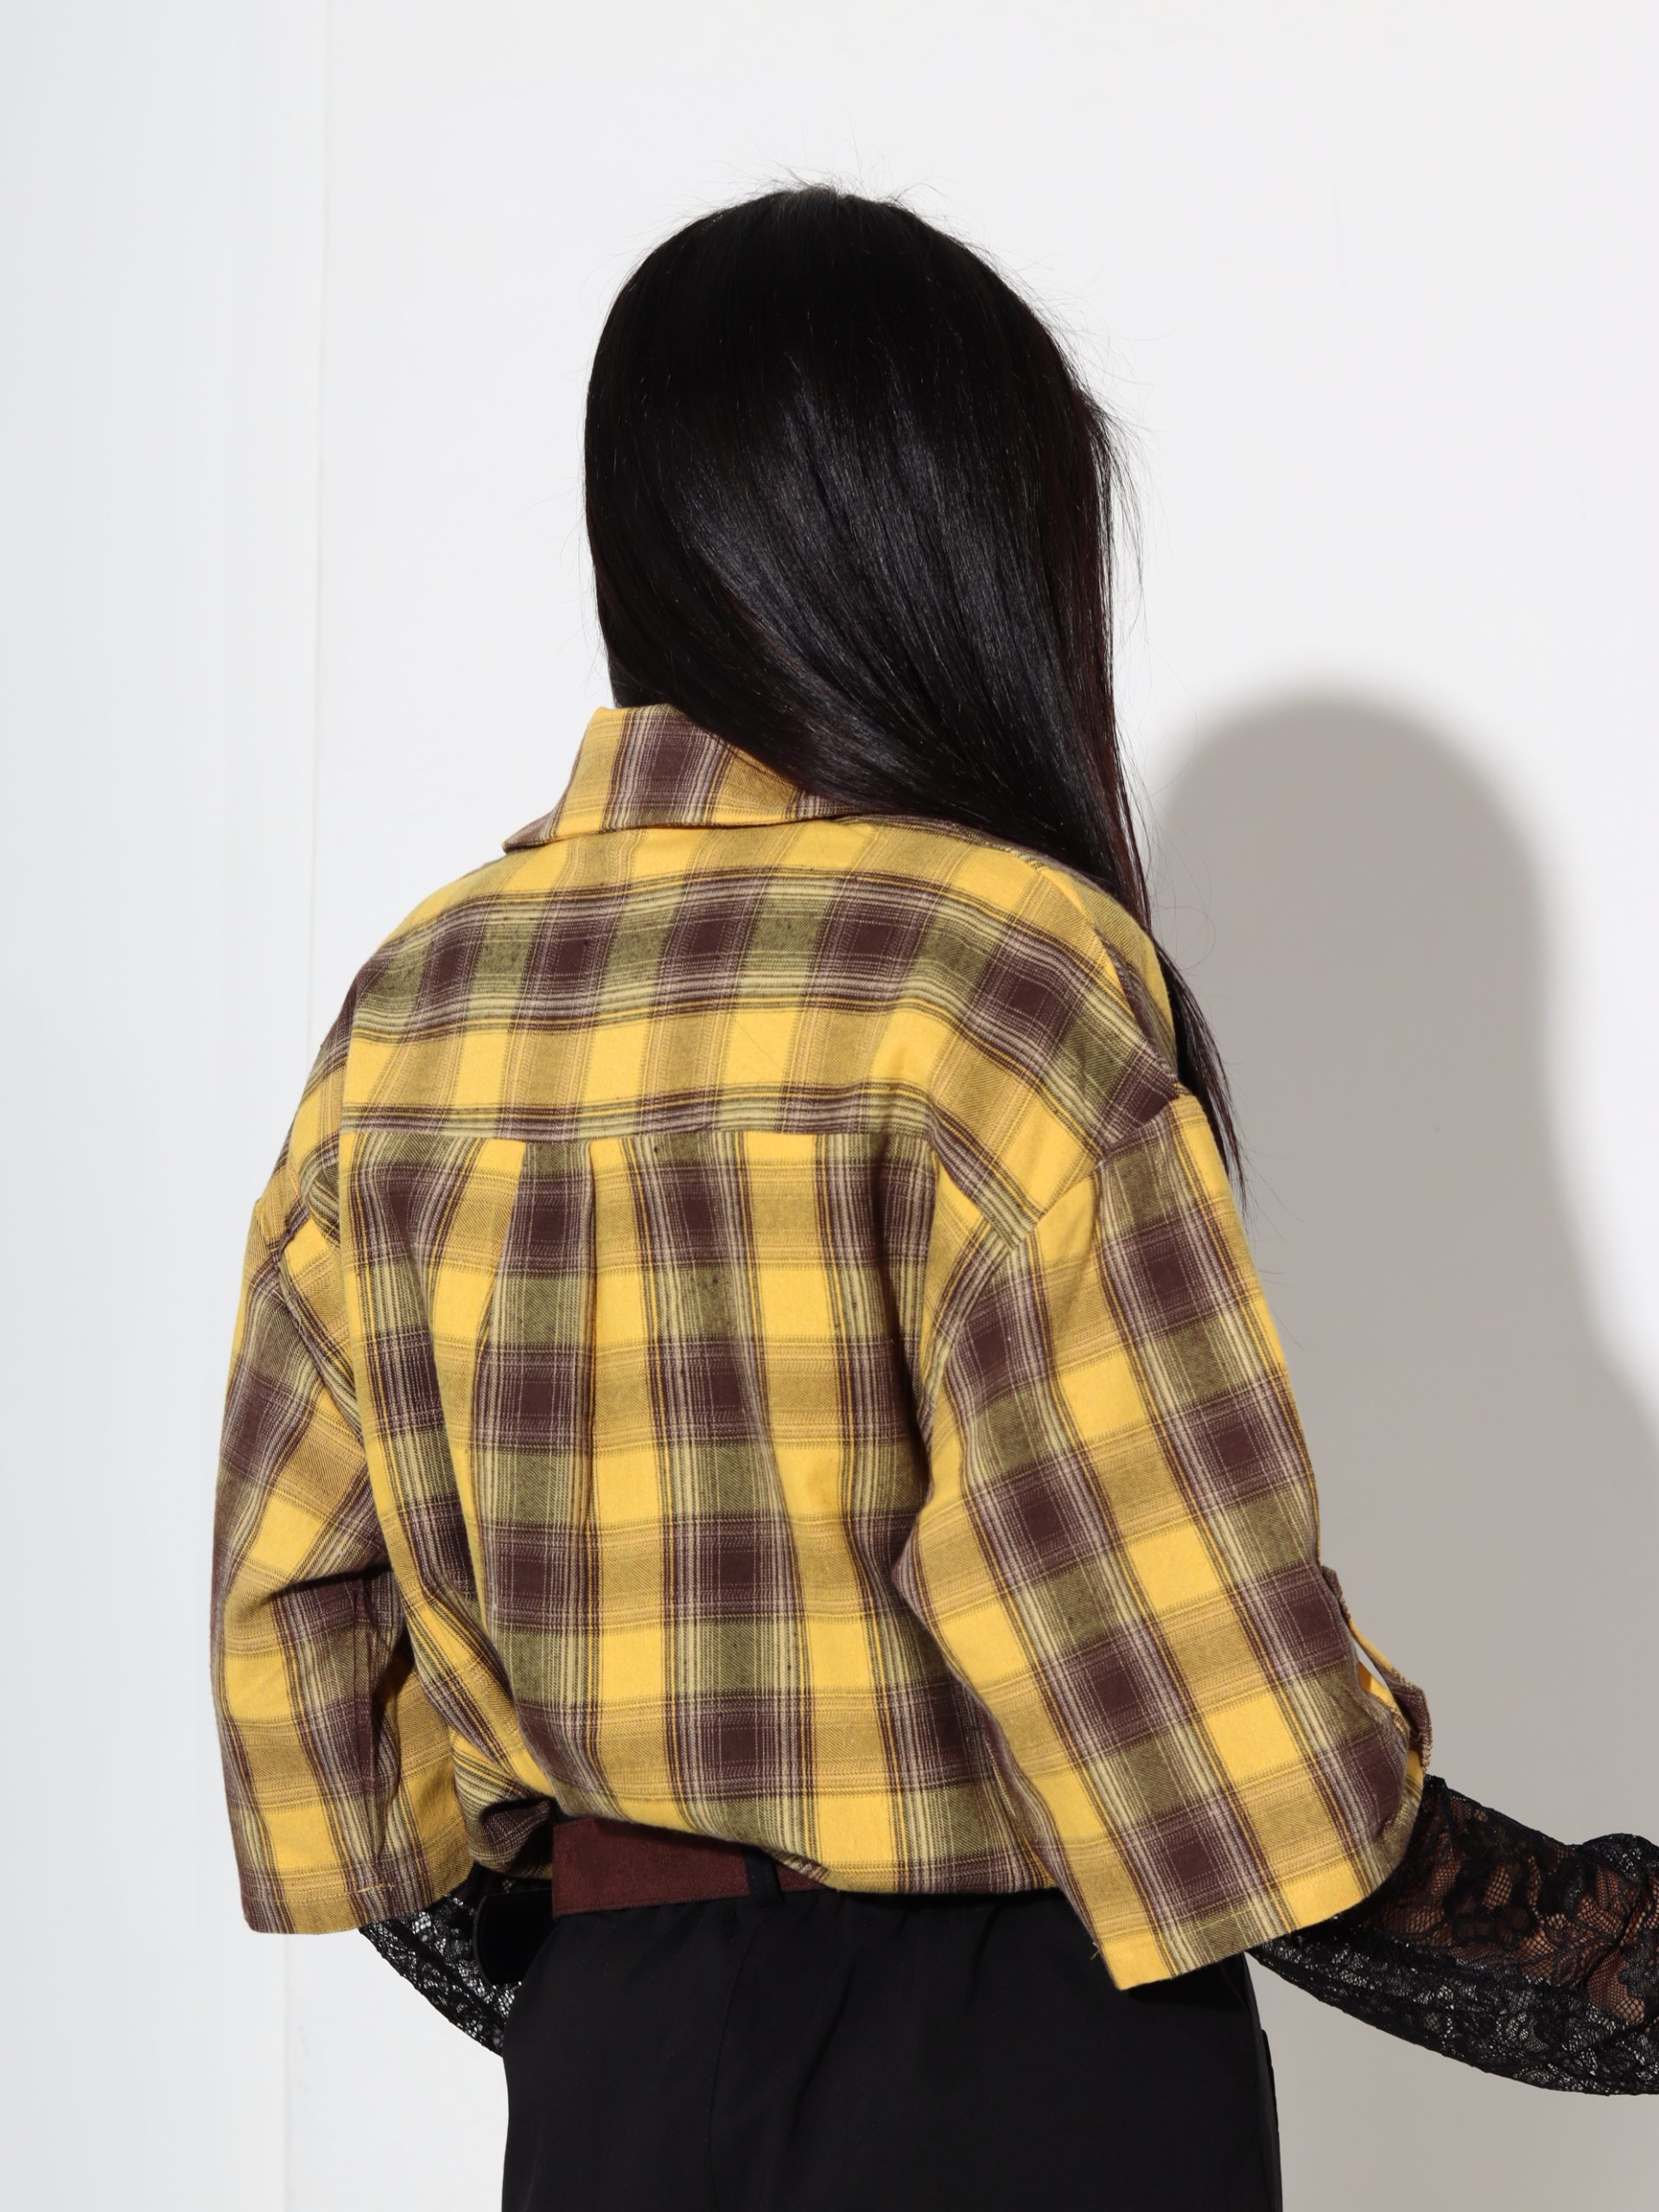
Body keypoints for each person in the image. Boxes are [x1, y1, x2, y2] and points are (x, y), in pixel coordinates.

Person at [209, 184, 1659, 2211]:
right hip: (1020, 2073)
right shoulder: (997, 978)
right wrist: (1621, 1963)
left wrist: (640, 1983)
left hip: (618, 2085)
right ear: (960, 543)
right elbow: (1218, 1744)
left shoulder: (416, 1006)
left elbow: (312, 1684)